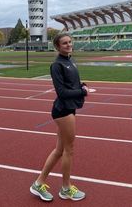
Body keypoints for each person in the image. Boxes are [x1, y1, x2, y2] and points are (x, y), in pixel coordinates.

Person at [30, 33, 89, 202]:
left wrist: (82, 85)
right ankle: (65, 189)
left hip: (70, 109)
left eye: (70, 41)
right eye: (64, 43)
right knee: (68, 150)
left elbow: (72, 84)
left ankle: (38, 183)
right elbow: (62, 92)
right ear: (57, 46)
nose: (69, 45)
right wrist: (82, 92)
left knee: (59, 151)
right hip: (63, 111)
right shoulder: (56, 65)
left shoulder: (70, 60)